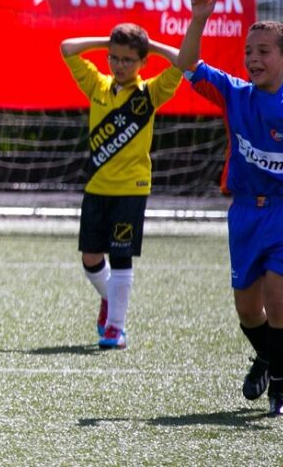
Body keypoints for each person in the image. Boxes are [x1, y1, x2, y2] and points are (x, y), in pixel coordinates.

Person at [176, 0, 283, 417]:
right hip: (245, 211)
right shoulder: (234, 94)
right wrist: (199, 18)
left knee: (279, 298)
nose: (253, 58)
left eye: (264, 51)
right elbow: (187, 64)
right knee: (248, 310)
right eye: (249, 51)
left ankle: (281, 391)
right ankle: (267, 357)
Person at [60, 24, 182, 350]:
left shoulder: (150, 93)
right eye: (114, 58)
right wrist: (106, 42)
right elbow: (67, 46)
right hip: (97, 186)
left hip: (132, 188)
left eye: (128, 60)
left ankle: (116, 327)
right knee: (90, 258)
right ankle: (111, 300)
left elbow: (184, 61)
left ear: (142, 62)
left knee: (122, 255)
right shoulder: (98, 86)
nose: (119, 65)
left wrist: (150, 46)